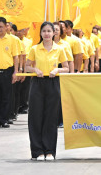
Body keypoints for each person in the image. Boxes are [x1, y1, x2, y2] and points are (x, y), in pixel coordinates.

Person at [25, 22, 69, 161]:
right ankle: (37, 151)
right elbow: (27, 66)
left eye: (49, 31)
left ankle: (50, 151)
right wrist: (35, 69)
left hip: (53, 83)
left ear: (54, 33)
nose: (47, 34)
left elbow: (67, 68)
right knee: (35, 117)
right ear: (40, 33)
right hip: (37, 83)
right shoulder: (34, 49)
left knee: (51, 117)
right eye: (44, 31)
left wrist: (57, 69)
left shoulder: (59, 49)